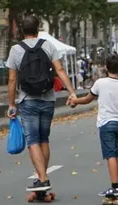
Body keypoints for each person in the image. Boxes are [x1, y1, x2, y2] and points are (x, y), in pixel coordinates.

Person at [5, 15, 77, 192]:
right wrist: (72, 92)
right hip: (48, 99)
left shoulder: (16, 49)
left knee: (32, 140)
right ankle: (42, 177)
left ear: (22, 31)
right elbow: (59, 70)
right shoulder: (48, 45)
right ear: (38, 29)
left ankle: (42, 179)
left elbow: (12, 80)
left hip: (27, 100)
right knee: (44, 139)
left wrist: (11, 104)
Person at [68, 54, 118, 200]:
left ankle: (115, 187)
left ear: (106, 67)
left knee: (110, 155)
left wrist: (75, 101)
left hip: (106, 123)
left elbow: (88, 99)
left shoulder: (100, 83)